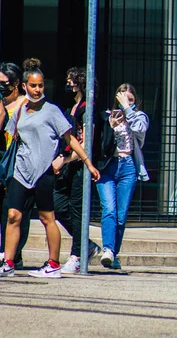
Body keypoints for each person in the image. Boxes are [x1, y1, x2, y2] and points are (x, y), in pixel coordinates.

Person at [0, 65, 100, 278]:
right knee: (12, 215)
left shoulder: (52, 110)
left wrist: (88, 163)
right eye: (33, 85)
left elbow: (70, 139)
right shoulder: (20, 111)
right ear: (24, 86)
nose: (37, 89)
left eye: (41, 85)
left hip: (43, 171)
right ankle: (8, 262)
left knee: (47, 218)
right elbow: (12, 139)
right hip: (21, 171)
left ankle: (53, 263)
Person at [52, 67, 101, 274]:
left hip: (79, 166)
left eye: (71, 80)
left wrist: (64, 160)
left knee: (75, 209)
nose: (68, 84)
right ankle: (86, 244)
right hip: (68, 166)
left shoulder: (87, 109)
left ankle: (77, 255)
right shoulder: (72, 107)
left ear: (81, 82)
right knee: (59, 206)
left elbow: (85, 142)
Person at [96, 84, 149, 270]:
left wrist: (128, 108)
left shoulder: (139, 117)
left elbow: (140, 129)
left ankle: (113, 254)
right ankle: (108, 250)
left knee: (121, 215)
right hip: (108, 166)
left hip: (128, 167)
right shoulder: (106, 116)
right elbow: (99, 143)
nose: (127, 103)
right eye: (123, 99)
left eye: (131, 100)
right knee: (109, 209)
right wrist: (110, 127)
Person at [0, 62, 29, 268]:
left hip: (18, 164)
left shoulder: (26, 104)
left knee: (15, 211)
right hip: (3, 161)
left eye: (4, 83)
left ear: (16, 83)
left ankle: (13, 255)